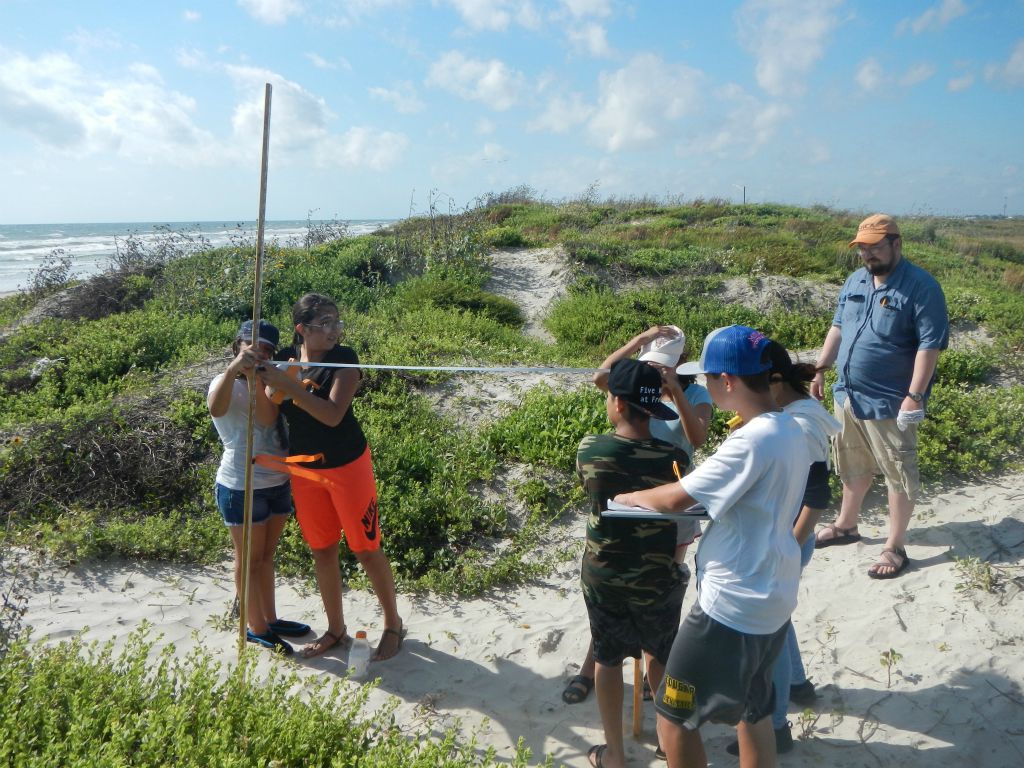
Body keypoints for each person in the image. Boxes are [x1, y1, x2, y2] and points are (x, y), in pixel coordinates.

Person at [615, 325, 809, 768]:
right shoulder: (789, 426)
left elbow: (676, 497)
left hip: (733, 604)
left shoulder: (752, 439)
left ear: (728, 381)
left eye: (706, 377)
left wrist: (628, 498)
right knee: (753, 709)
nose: (702, 383)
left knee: (673, 713)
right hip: (774, 593)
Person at [563, 325, 712, 707]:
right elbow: (602, 378)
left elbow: (696, 439)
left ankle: (651, 676)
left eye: (660, 365)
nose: (652, 370)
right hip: (629, 500)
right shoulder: (632, 386)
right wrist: (637, 342)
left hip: (674, 503)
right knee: (616, 601)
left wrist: (675, 391)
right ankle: (590, 667)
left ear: (679, 363)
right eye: (647, 364)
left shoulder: (694, 393)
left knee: (651, 600)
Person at [256, 294, 404, 661]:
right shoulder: (287, 361)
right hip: (305, 469)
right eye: (325, 323)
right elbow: (268, 410)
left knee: (366, 549)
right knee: (322, 549)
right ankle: (335, 629)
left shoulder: (346, 359)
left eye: (337, 322)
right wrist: (265, 380)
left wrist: (288, 386)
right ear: (302, 329)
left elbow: (333, 414)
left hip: (348, 466)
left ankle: (393, 623)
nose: (335, 330)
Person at [811, 214, 949, 579]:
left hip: (891, 399)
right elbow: (838, 326)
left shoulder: (922, 286)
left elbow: (929, 346)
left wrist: (914, 396)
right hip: (848, 394)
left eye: (875, 246)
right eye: (862, 248)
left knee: (898, 472)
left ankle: (895, 546)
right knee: (851, 463)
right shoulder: (855, 279)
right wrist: (821, 368)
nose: (868, 255)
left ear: (896, 243)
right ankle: (846, 526)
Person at [725, 341, 840, 756]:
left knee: (767, 633)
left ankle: (775, 729)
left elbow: (817, 495)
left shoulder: (800, 424)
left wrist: (786, 548)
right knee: (779, 621)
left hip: (787, 539)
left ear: (774, 381)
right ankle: (798, 685)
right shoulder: (789, 414)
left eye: (753, 385)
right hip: (785, 538)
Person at [579, 358, 694, 768]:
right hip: (657, 575)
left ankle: (614, 754)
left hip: (604, 572)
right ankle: (669, 742)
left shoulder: (591, 449)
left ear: (617, 403)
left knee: (607, 660)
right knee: (661, 656)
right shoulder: (674, 456)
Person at [207, 319, 311, 655]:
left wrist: (271, 375)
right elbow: (216, 408)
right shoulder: (223, 383)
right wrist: (239, 370)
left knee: (266, 557)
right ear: (238, 344)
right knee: (248, 559)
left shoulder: (271, 381)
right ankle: (255, 628)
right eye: (252, 345)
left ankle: (270, 618)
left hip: (277, 481)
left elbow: (271, 415)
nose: (259, 351)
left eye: (266, 347)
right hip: (241, 485)